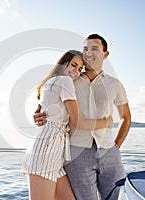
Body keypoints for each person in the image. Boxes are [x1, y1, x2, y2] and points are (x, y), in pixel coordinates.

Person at [33, 34, 131, 200]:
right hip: (77, 154)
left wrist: (115, 147)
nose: (88, 52)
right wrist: (38, 117)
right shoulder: (70, 80)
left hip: (109, 152)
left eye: (94, 48)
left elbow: (126, 118)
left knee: (117, 197)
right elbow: (50, 107)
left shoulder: (115, 84)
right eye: (85, 48)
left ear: (105, 54)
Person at [22, 50, 113, 200]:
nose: (76, 71)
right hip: (47, 148)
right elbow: (78, 122)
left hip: (55, 151)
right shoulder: (64, 81)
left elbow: (47, 113)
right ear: (64, 63)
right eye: (73, 65)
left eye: (79, 69)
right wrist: (107, 122)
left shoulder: (54, 81)